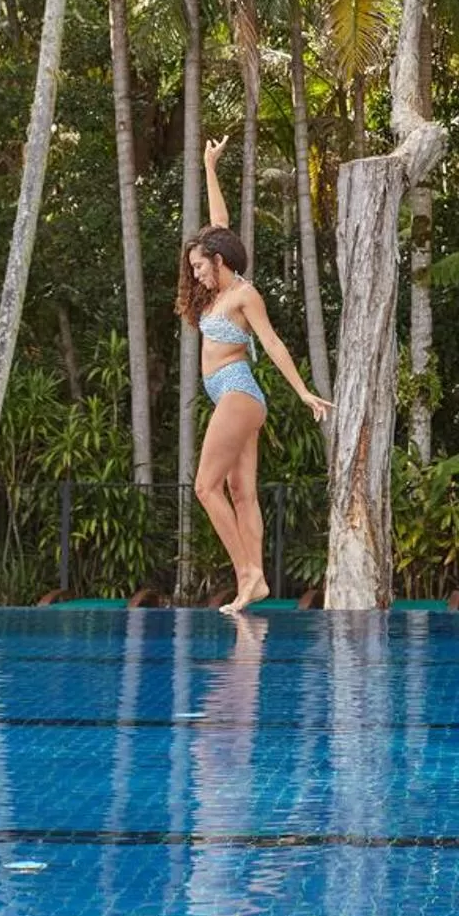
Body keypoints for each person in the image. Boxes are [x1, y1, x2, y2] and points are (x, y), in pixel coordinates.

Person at [178, 134, 329, 612]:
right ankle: (253, 584)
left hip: (239, 393)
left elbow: (274, 344)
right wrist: (209, 167)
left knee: (205, 486)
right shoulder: (217, 282)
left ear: (219, 263)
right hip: (232, 396)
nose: (196, 273)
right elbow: (219, 222)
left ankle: (247, 571)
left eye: (200, 266)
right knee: (242, 492)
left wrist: (304, 392)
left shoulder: (244, 295)